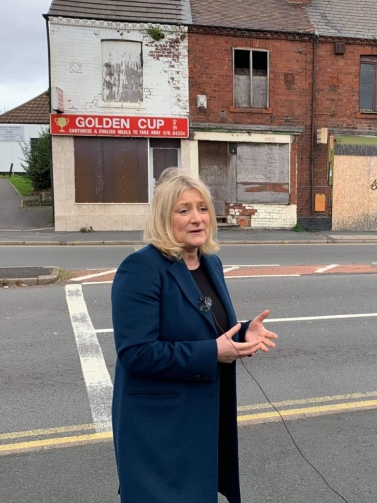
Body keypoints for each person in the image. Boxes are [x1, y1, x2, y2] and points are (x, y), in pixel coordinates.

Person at [111, 167, 277, 503]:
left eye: (202, 208)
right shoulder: (141, 269)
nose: (197, 218)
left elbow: (208, 327)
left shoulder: (209, 263)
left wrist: (244, 331)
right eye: (183, 210)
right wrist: (211, 352)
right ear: (164, 218)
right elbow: (136, 353)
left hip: (202, 423)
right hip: (160, 429)